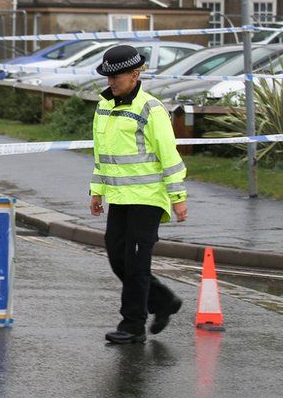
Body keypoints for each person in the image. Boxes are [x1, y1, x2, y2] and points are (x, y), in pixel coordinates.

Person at [89, 45, 188, 344]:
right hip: (119, 198)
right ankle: (164, 301)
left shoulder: (150, 109)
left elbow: (169, 155)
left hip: (147, 198)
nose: (110, 81)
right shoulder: (103, 107)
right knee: (117, 258)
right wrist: (97, 192)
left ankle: (132, 325)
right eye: (107, 76)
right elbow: (102, 155)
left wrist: (178, 197)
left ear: (135, 74)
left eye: (115, 76)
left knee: (135, 263)